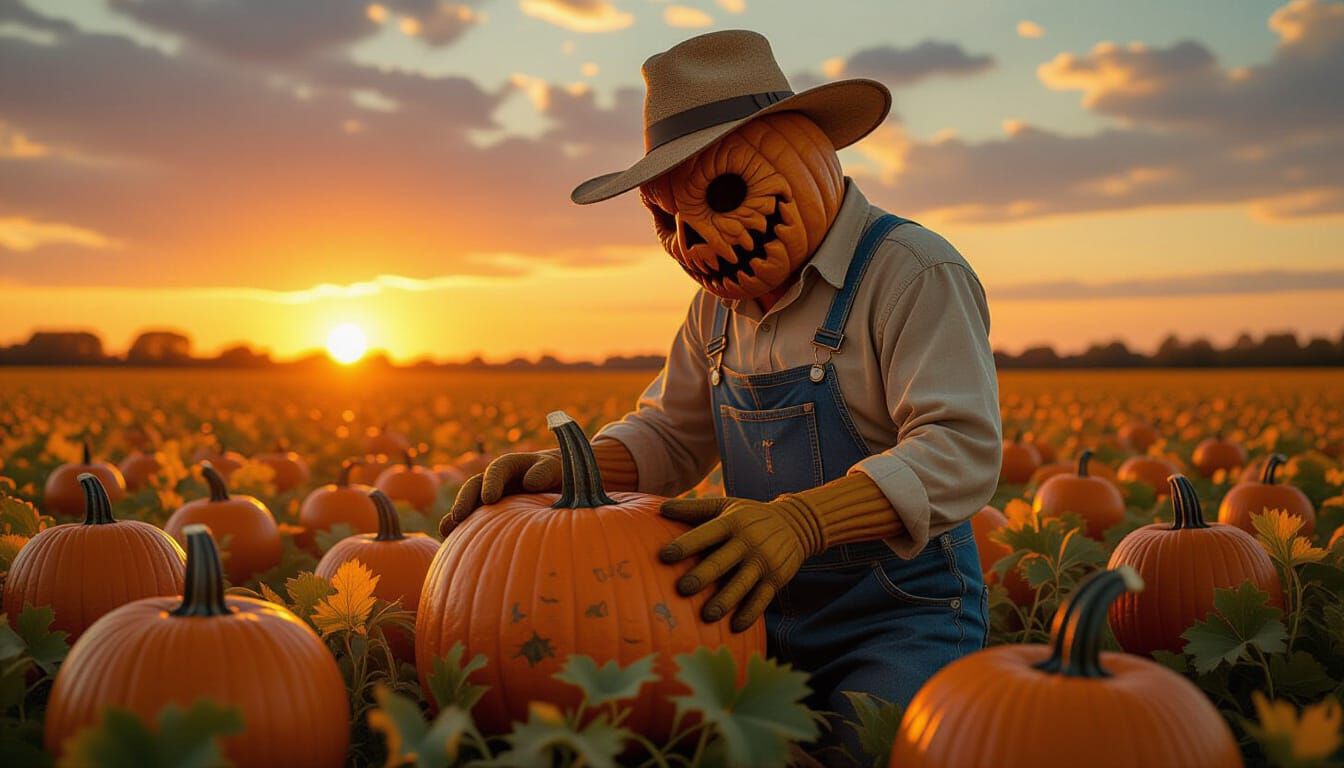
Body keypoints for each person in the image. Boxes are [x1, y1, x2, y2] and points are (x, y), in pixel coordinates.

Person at [440, 29, 1001, 762]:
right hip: (755, 617)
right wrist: (572, 471)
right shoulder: (714, 311)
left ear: (801, 150)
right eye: (666, 221)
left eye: (722, 196)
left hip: (902, 620)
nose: (694, 242)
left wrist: (802, 521)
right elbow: (672, 436)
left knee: (862, 750)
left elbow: (958, 448)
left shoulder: (912, 273)